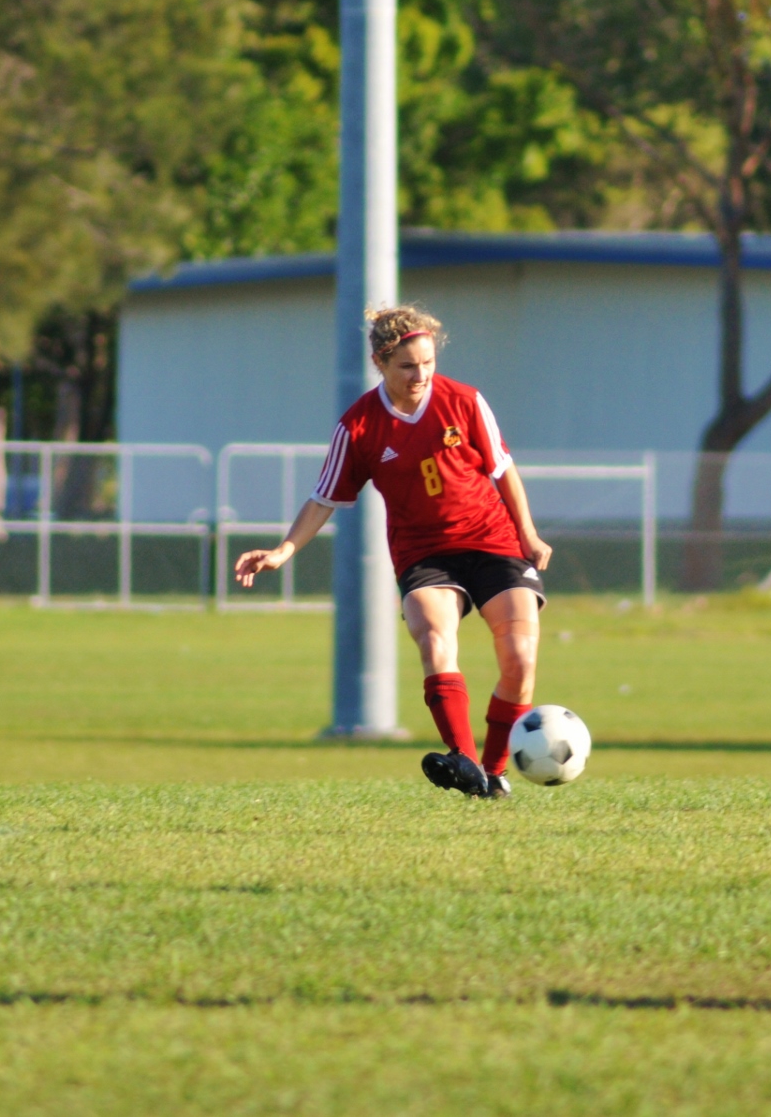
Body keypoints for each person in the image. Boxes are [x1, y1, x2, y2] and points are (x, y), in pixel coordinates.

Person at [234, 305, 552, 799]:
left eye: (427, 363)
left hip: (494, 541)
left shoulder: (465, 401)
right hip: (424, 555)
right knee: (432, 638)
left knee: (520, 658)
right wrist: (283, 550)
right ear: (381, 364)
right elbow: (324, 498)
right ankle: (466, 763)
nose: (420, 375)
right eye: (407, 366)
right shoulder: (359, 426)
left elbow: (503, 470)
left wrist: (528, 535)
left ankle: (494, 771)